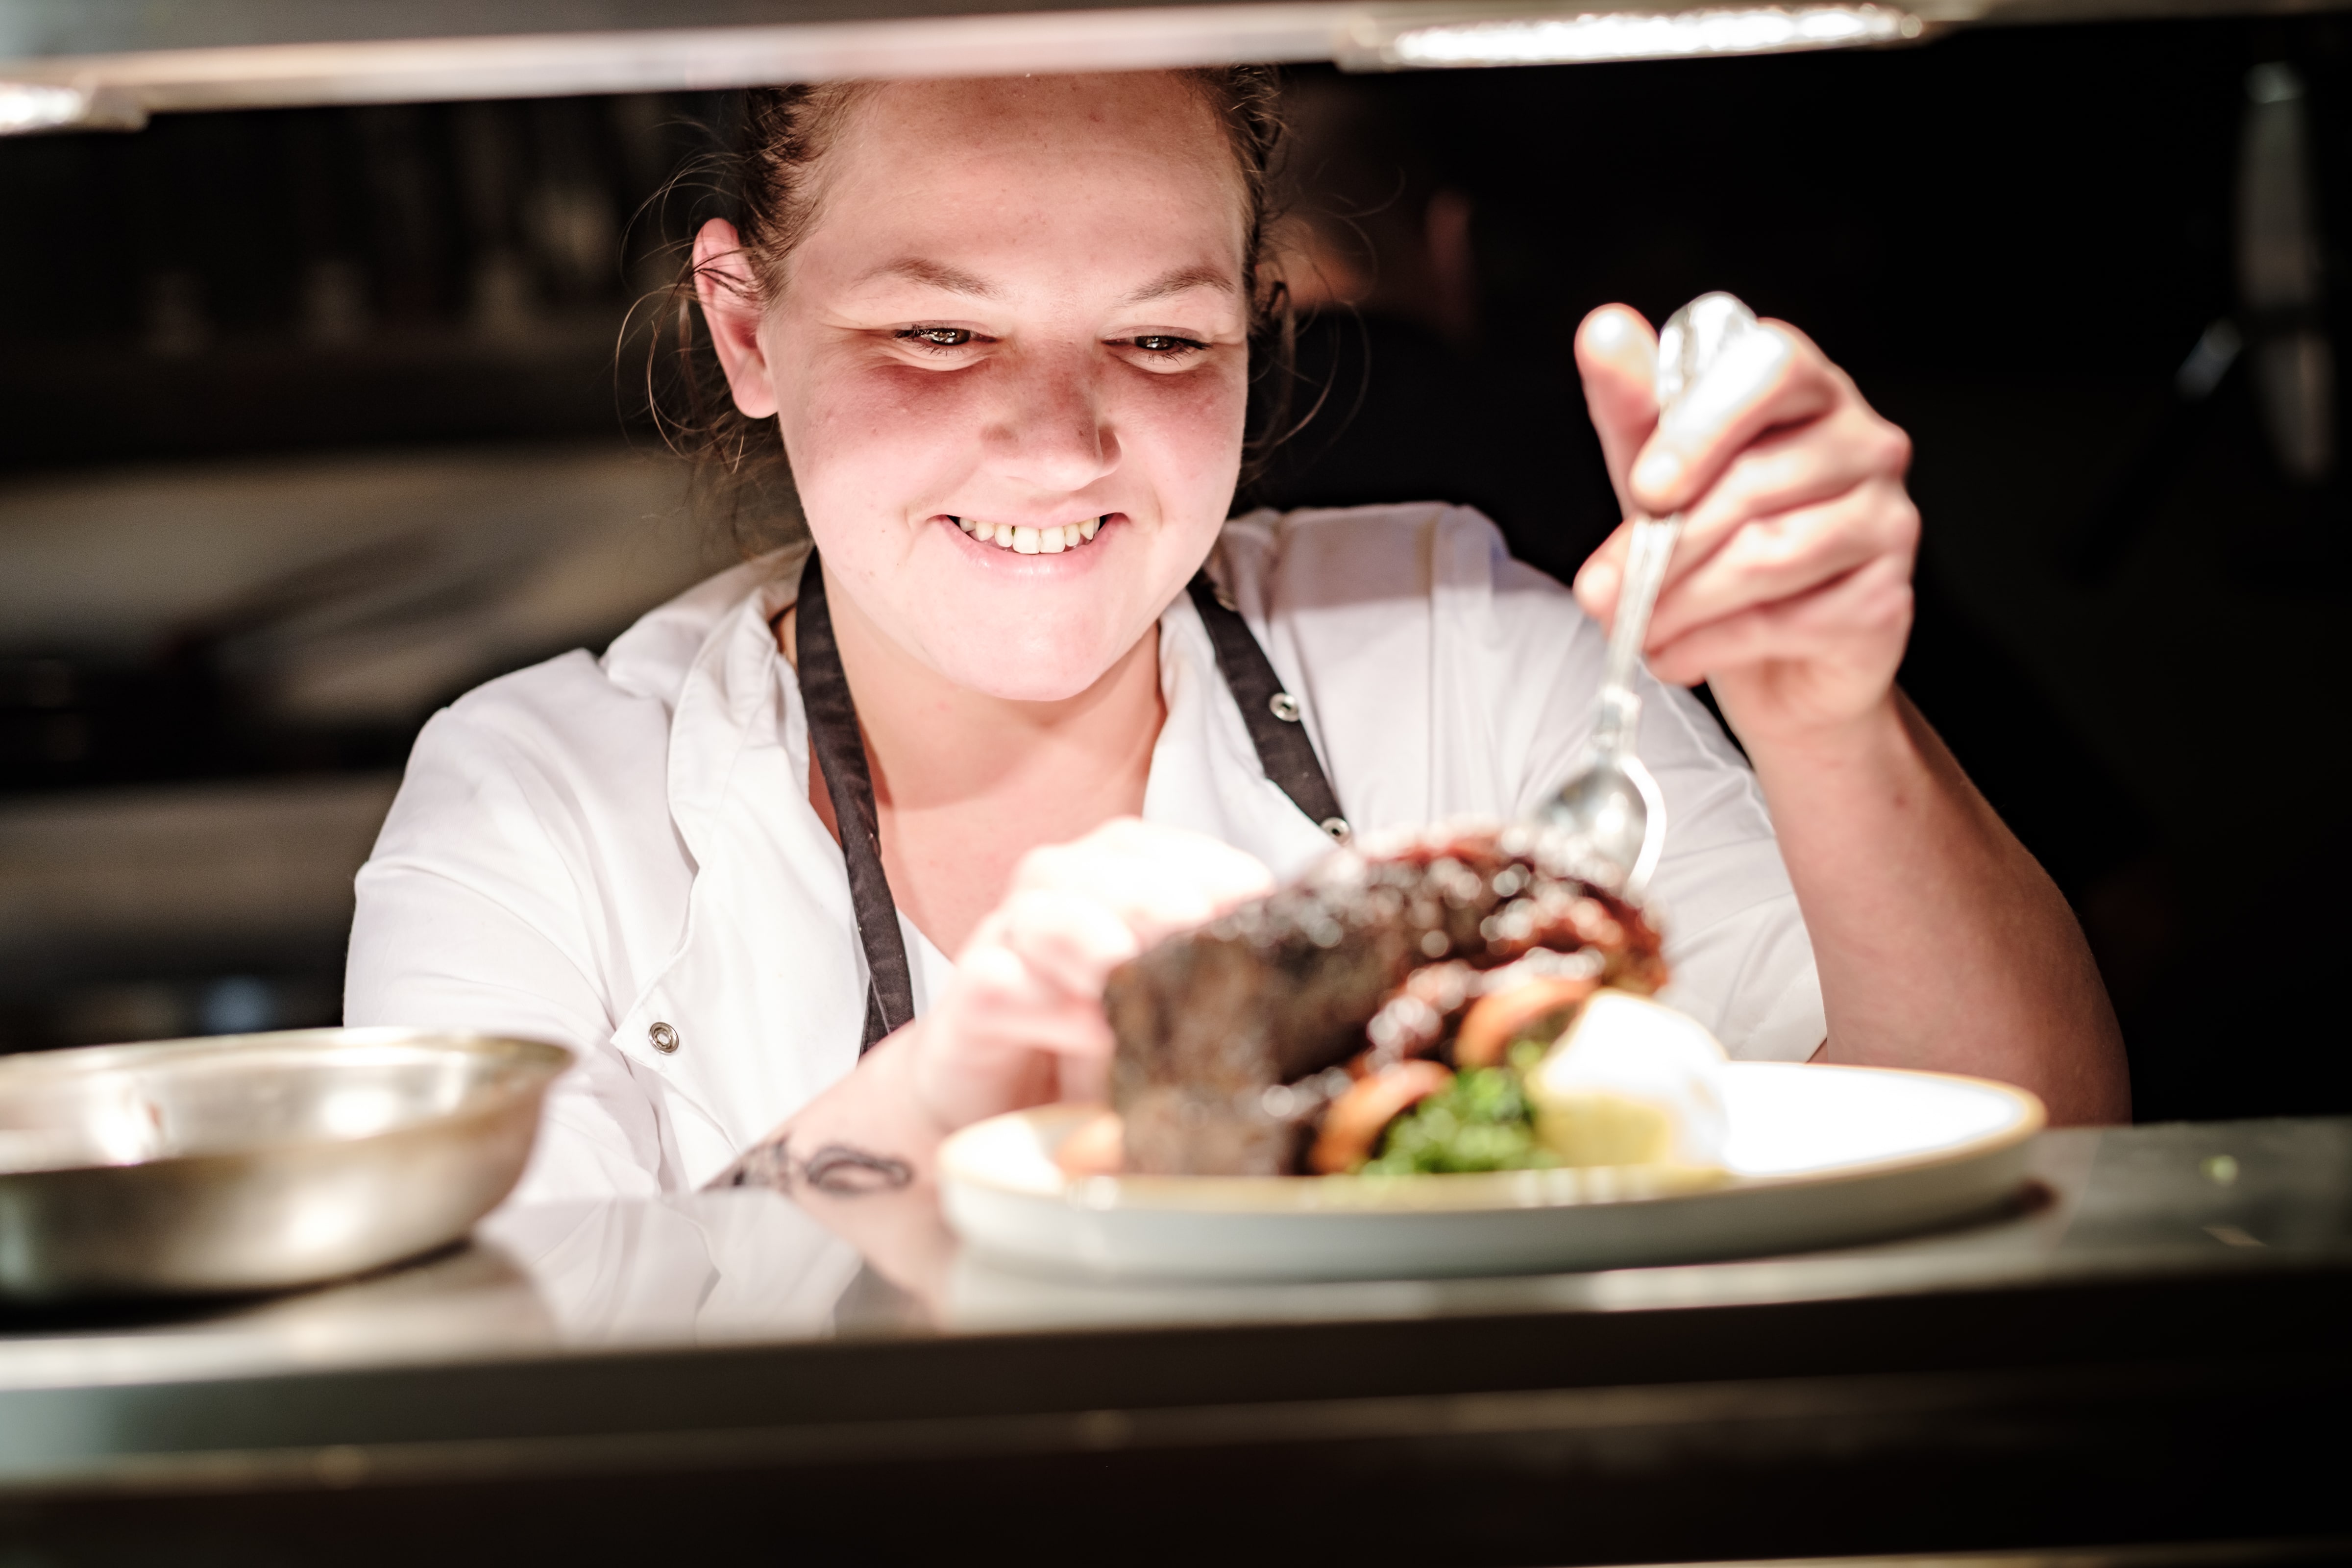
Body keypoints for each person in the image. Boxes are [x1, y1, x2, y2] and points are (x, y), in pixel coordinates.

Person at [346, 69, 2128, 1205]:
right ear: (746, 325)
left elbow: (2031, 1142)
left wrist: (1826, 714)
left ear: (1256, 331)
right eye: (939, 336)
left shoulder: (1459, 645)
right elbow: (487, 1406)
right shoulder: (538, 804)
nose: (1061, 445)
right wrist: (940, 1100)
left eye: (1163, 341)